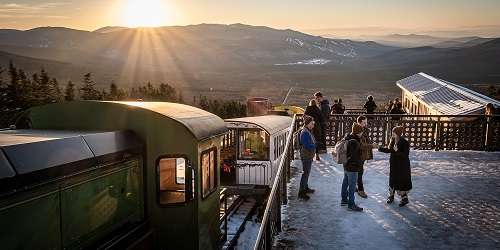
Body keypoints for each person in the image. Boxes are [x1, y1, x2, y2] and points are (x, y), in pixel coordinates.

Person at [378, 126, 412, 207]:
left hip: (402, 165)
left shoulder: (404, 142)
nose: (392, 133)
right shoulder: (393, 140)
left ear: (398, 133)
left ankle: (404, 198)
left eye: (394, 132)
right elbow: (390, 150)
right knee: (393, 179)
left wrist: (397, 151)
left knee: (402, 180)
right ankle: (391, 196)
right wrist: (380, 148)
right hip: (394, 164)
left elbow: (405, 155)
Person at [341, 123, 365, 211]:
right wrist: (359, 164)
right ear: (358, 132)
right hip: (352, 167)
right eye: (361, 132)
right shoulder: (354, 142)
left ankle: (344, 200)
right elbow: (354, 156)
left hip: (346, 165)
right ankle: (351, 204)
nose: (362, 133)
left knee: (345, 182)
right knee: (352, 186)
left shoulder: (348, 137)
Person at [355, 116, 379, 198]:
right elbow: (361, 145)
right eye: (364, 122)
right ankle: (360, 190)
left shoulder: (364, 130)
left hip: (363, 154)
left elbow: (366, 141)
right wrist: (371, 145)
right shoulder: (357, 131)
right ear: (359, 122)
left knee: (358, 171)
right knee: (359, 172)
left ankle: (354, 186)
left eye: (366, 122)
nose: (366, 124)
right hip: (358, 155)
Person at [298, 115, 316, 200]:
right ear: (308, 124)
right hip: (306, 155)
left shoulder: (307, 130)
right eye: (312, 124)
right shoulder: (305, 132)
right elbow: (307, 145)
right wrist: (315, 145)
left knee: (306, 173)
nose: (313, 125)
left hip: (308, 155)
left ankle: (305, 187)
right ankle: (301, 192)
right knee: (305, 174)